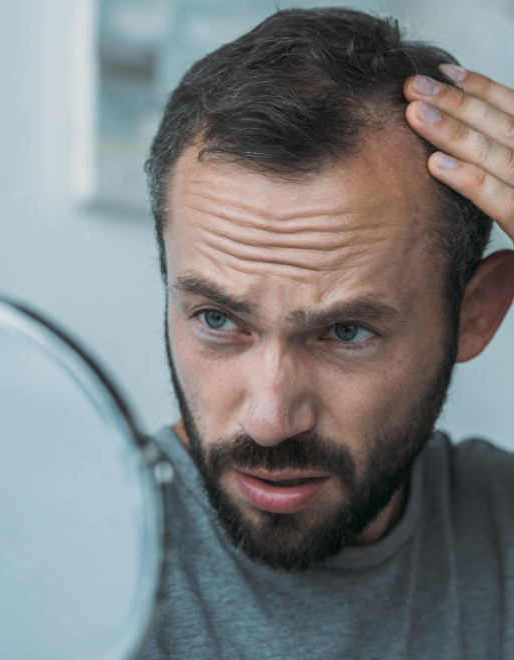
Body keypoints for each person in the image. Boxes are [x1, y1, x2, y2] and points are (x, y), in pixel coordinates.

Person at [138, 7, 514, 659]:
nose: (269, 419)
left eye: (345, 331)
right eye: (218, 320)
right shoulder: (50, 555)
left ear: (474, 314)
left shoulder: (502, 529)